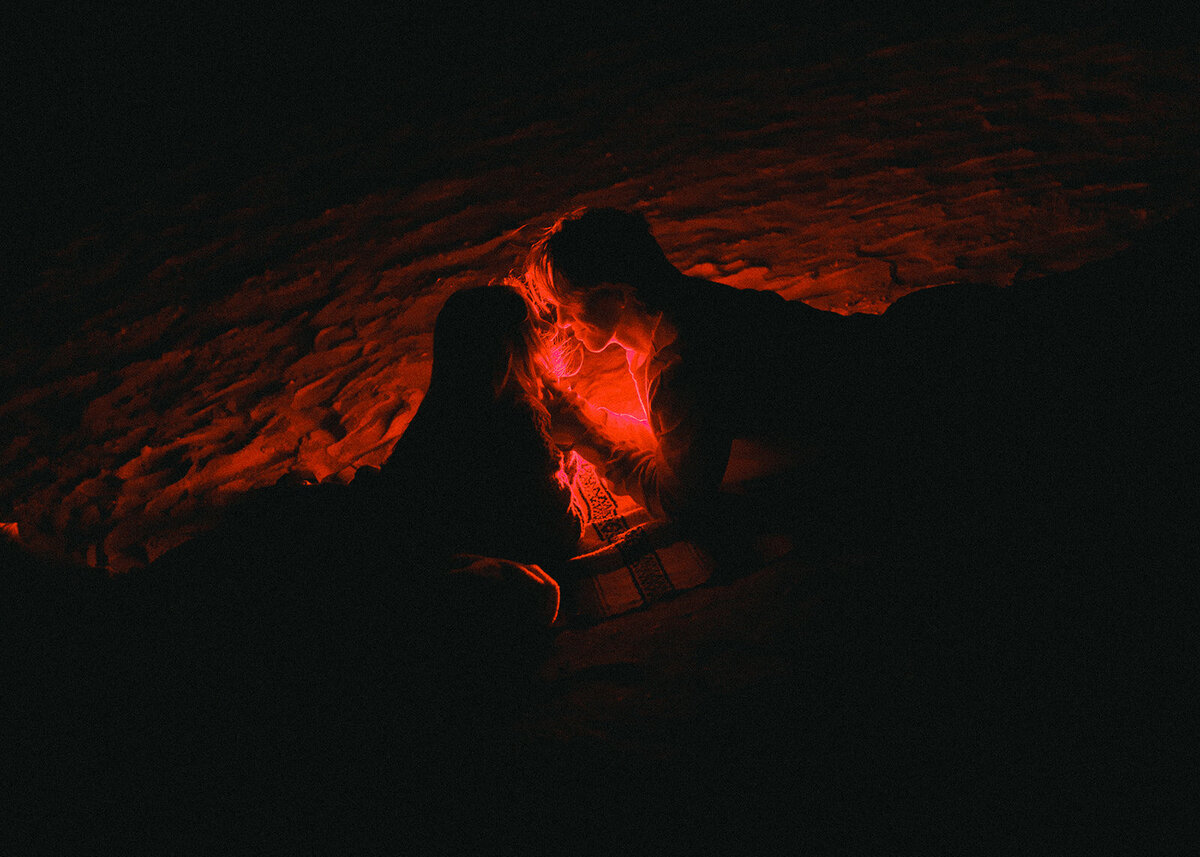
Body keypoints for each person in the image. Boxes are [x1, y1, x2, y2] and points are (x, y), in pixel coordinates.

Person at [525, 207, 890, 527]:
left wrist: (589, 437)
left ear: (616, 295)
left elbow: (678, 500)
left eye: (567, 302)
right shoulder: (679, 314)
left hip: (892, 397)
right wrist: (584, 415)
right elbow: (675, 441)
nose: (559, 319)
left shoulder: (681, 362)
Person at [364, 284, 583, 584]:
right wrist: (567, 455)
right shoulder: (523, 414)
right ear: (519, 347)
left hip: (423, 534)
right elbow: (560, 524)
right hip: (492, 547)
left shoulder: (439, 408)